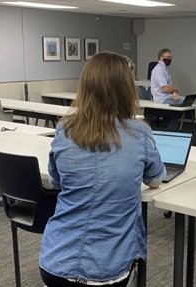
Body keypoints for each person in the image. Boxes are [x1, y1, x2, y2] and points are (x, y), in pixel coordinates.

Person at [39, 52, 166, 287]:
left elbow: (56, 182)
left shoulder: (64, 129)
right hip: (107, 268)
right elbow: (156, 179)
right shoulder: (139, 133)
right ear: (127, 89)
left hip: (54, 261)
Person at [150, 48, 185, 130]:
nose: (170, 59)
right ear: (161, 58)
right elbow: (165, 88)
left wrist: (174, 93)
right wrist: (175, 90)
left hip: (167, 96)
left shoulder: (165, 69)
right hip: (161, 98)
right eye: (168, 57)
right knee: (184, 101)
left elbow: (169, 86)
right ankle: (171, 129)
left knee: (181, 106)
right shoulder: (158, 70)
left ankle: (171, 129)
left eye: (171, 58)